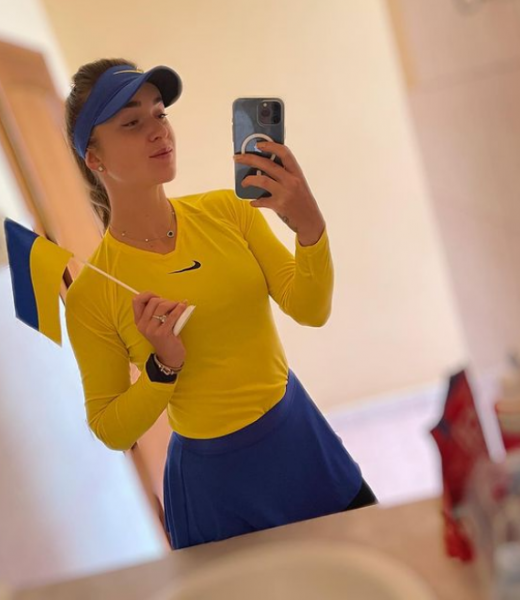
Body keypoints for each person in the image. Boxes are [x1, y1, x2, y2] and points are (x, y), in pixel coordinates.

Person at [63, 58, 377, 550]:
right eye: (132, 122)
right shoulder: (92, 293)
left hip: (297, 435)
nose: (158, 131)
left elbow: (310, 309)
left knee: (369, 563)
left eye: (160, 113)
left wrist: (310, 228)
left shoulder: (229, 211)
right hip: (216, 486)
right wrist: (163, 368)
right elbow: (110, 429)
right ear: (94, 159)